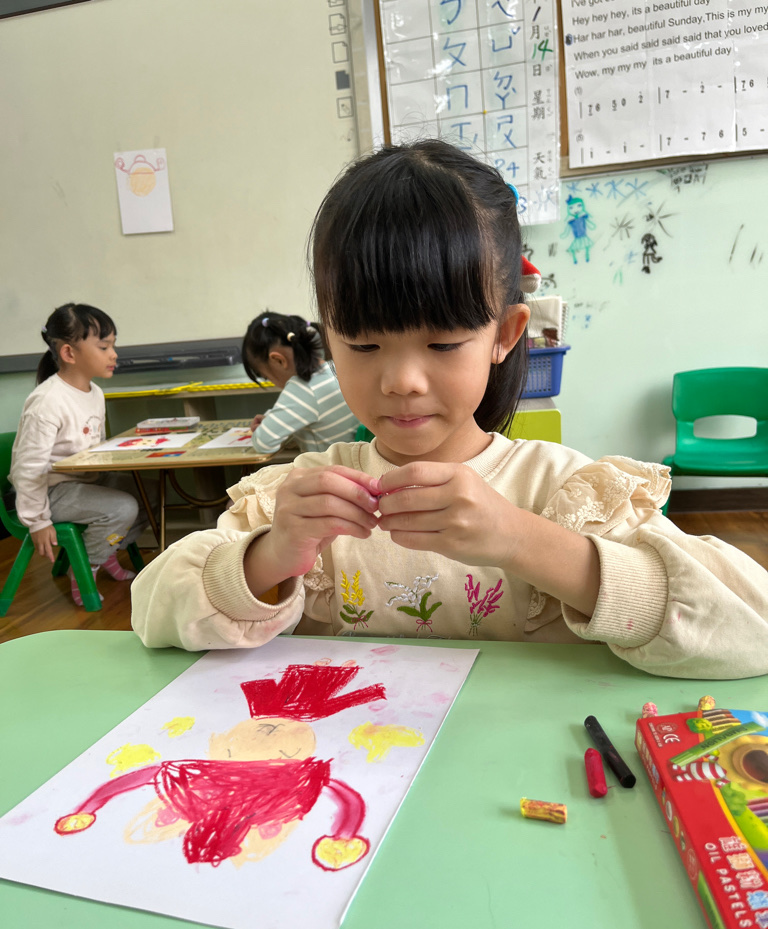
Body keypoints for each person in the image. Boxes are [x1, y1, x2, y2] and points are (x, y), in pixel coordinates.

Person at [132, 140, 768, 679]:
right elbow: (151, 612)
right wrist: (269, 556)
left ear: (505, 335)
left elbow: (751, 626)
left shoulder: (562, 492)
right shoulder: (297, 499)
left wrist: (522, 539)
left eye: (442, 343)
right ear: (328, 340)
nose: (402, 381)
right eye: (363, 345)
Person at [10, 303, 148, 606]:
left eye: (113, 346)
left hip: (84, 481)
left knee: (146, 493)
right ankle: (86, 565)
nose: (114, 354)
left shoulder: (95, 393)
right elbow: (28, 469)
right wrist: (37, 521)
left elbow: (94, 449)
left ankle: (106, 550)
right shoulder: (47, 401)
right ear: (69, 353)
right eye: (104, 347)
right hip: (51, 491)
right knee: (122, 508)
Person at [242, 311, 359, 454]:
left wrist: (262, 429)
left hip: (327, 465)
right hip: (353, 460)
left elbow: (264, 443)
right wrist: (271, 418)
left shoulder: (304, 388)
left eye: (266, 377)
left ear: (278, 360)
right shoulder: (334, 369)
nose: (272, 382)